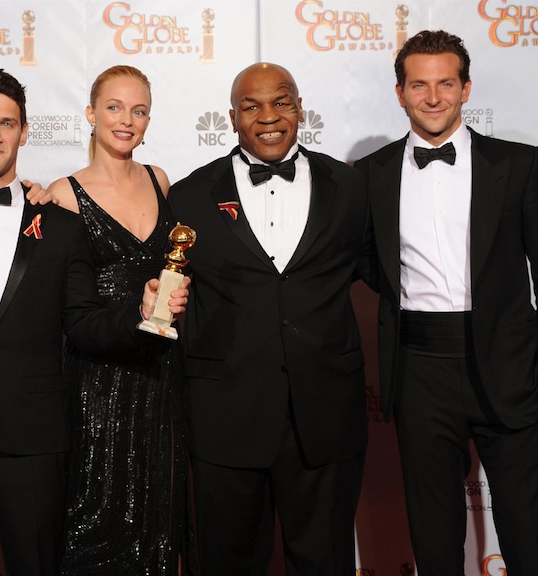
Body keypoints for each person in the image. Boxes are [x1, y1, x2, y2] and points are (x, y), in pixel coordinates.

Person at [0, 68, 188, 576]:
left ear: (24, 130)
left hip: (35, 442)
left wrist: (141, 316)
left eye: (7, 124)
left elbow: (82, 323)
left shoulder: (59, 225)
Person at [167, 62, 369, 575]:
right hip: (225, 418)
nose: (268, 116)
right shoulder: (190, 195)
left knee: (325, 560)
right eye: (251, 106)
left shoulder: (349, 187)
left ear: (300, 108)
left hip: (324, 415)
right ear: (232, 118)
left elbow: (383, 272)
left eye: (281, 101)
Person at [354, 30, 538, 575]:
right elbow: (368, 263)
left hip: (508, 360)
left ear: (465, 88)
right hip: (419, 366)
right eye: (419, 85)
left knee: (527, 521)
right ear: (400, 93)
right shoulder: (370, 175)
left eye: (445, 83)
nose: (433, 97)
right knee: (433, 527)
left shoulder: (521, 166)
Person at [46, 65, 192, 575]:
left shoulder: (160, 180)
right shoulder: (62, 194)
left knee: (159, 528)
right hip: (97, 386)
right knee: (95, 526)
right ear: (90, 114)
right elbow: (69, 308)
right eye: (114, 107)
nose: (126, 120)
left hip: (160, 378)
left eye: (139, 110)